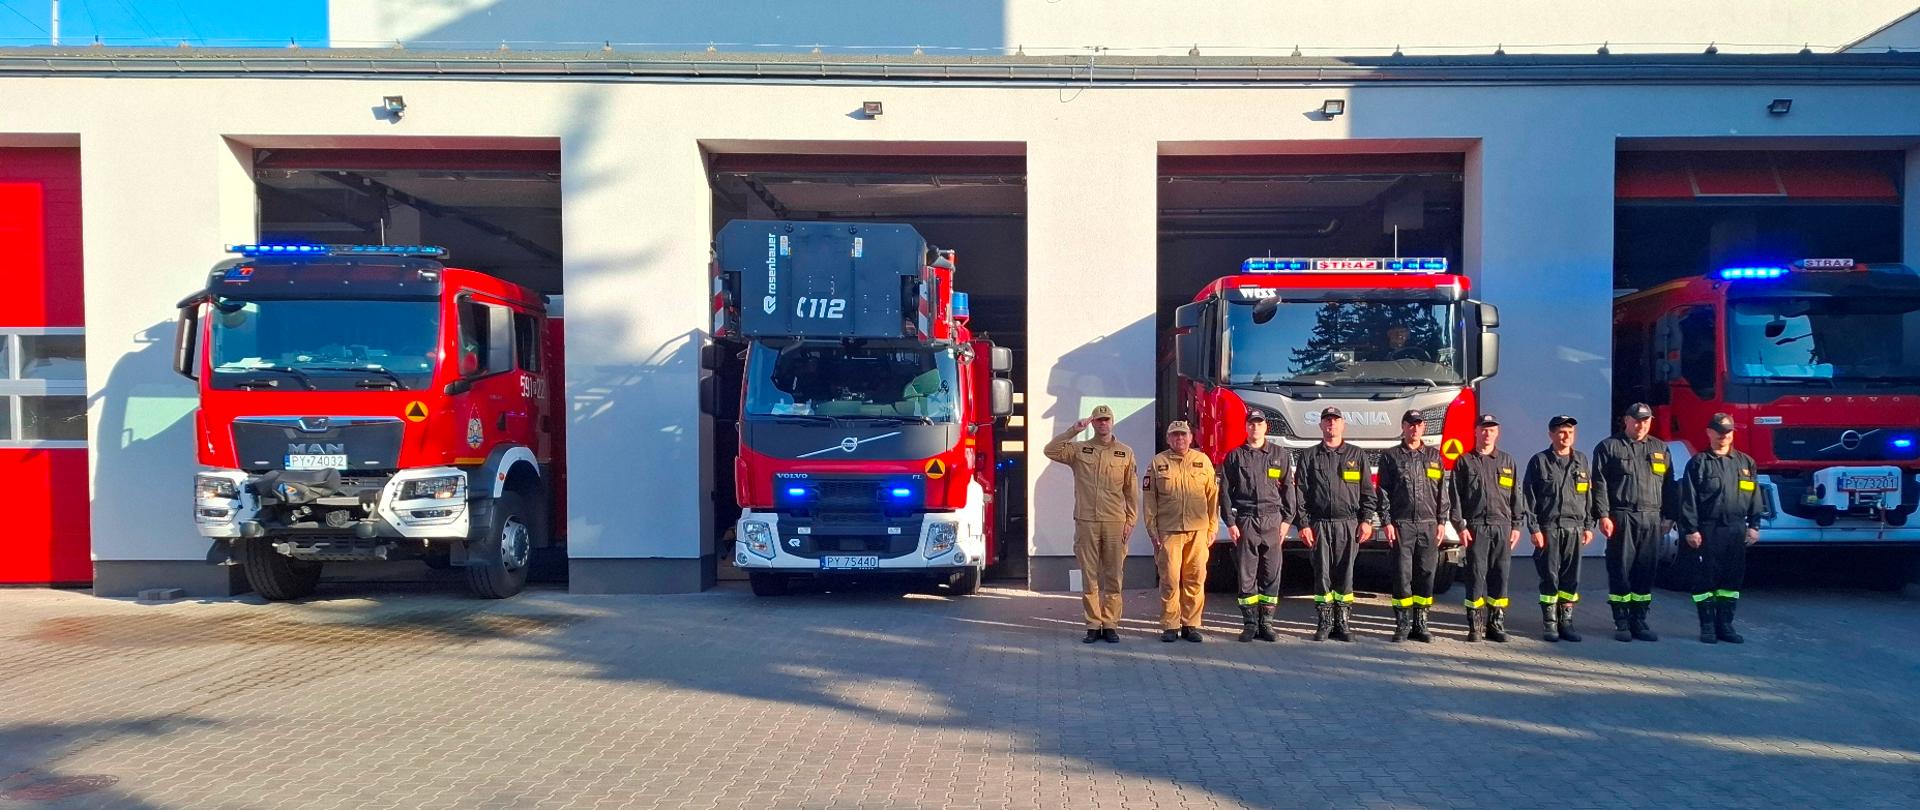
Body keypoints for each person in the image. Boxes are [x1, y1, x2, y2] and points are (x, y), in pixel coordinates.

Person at [1042, 404, 1137, 644]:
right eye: (1098, 420)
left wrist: (1131, 520)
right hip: (1087, 521)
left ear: (1112, 422)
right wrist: (1073, 430)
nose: (1103, 423)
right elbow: (1050, 450)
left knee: (1114, 575)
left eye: (1106, 420)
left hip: (1115, 521)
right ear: (1093, 423)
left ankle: (1111, 624)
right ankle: (1094, 625)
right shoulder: (1079, 450)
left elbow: (1131, 491)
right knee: (1089, 575)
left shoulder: (1125, 452)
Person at [1674, 413, 1764, 644]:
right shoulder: (1698, 463)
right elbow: (1689, 499)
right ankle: (1707, 627)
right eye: (1719, 432)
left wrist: (1754, 525)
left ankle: (1725, 626)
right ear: (1709, 432)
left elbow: (1754, 496)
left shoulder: (1745, 463)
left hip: (1735, 529)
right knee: (1705, 580)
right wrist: (1691, 529)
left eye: (1728, 432)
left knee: (1731, 582)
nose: (1723, 436)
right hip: (1707, 530)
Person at [1592, 402, 1674, 642]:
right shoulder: (1609, 447)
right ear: (1626, 420)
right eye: (1637, 420)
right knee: (1621, 569)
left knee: (1646, 570)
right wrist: (1603, 515)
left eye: (1646, 420)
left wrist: (1670, 516)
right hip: (1622, 515)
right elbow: (1599, 484)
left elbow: (1669, 485)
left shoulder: (1660, 448)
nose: (1641, 425)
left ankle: (1640, 620)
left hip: (1651, 517)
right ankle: (1622, 621)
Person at [1294, 407, 1378, 641]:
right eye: (1327, 421)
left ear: (1343, 425)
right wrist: (1303, 524)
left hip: (1349, 524)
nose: (1331, 424)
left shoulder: (1357, 455)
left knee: (1346, 573)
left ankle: (1343, 623)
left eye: (1335, 420)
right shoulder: (1309, 456)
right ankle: (1324, 623)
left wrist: (1367, 521)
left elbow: (1367, 493)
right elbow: (1300, 492)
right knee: (1322, 573)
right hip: (1319, 524)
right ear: (1321, 426)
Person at [1373, 409, 1452, 643]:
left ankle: (1421, 623)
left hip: (1428, 524)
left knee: (1426, 574)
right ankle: (1402, 623)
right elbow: (1383, 491)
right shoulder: (1391, 456)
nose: (1415, 428)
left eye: (1418, 424)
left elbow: (1441, 492)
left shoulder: (1434, 456)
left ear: (1423, 428)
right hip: (1402, 525)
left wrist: (1441, 521)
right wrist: (1386, 522)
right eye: (1410, 424)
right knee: (1402, 575)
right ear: (1403, 427)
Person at [1219, 411, 1297, 642]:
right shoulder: (1235, 456)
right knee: (1247, 574)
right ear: (1246, 428)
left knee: (1271, 574)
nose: (1255, 428)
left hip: (1273, 520)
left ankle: (1267, 624)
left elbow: (1288, 488)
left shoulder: (1279, 454)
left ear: (1266, 428)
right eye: (1251, 424)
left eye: (1259, 424)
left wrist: (1287, 521)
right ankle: (1250, 624)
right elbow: (1224, 492)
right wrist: (1230, 523)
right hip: (1246, 520)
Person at [1452, 414, 1525, 642]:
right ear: (1475, 432)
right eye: (1483, 429)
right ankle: (1475, 626)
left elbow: (1516, 496)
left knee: (1500, 576)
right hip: (1476, 527)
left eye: (1491, 430)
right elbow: (1454, 497)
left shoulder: (1507, 461)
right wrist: (1459, 526)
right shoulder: (1464, 461)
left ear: (1497, 433)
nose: (1487, 433)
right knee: (1475, 576)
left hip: (1502, 527)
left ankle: (1496, 624)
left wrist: (1516, 525)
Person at [1144, 421, 1220, 642]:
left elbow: (1213, 498)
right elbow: (1150, 500)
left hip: (1198, 531)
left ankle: (1191, 624)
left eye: (1183, 435)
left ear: (1190, 437)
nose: (1180, 439)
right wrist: (1152, 529)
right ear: (1168, 439)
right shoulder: (1158, 463)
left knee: (1195, 578)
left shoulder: (1202, 461)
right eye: (1175, 436)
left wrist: (1212, 527)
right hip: (1169, 531)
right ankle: (1170, 624)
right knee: (1169, 579)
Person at [1524, 415, 1596, 643]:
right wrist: (1534, 529)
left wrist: (1588, 526)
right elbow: (1529, 497)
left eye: (1570, 432)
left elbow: (1588, 497)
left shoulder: (1581, 461)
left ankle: (1567, 622)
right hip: (1549, 528)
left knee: (1570, 579)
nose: (1566, 436)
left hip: (1574, 528)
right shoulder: (1539, 461)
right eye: (1562, 432)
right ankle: (1550, 624)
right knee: (1550, 577)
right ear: (1551, 435)